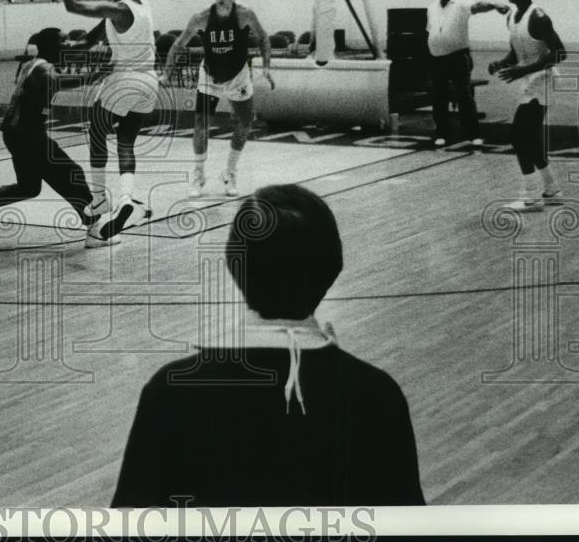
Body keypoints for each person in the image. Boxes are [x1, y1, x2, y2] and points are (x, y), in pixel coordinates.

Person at [111, 184, 425, 507]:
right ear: (333, 267)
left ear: (234, 266)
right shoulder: (377, 396)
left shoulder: (169, 390)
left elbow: (127, 525)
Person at [42, 0, 159, 247]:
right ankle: (126, 198)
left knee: (96, 131)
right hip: (150, 84)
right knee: (126, 141)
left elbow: (74, 6)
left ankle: (99, 201)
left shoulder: (119, 8)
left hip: (126, 80)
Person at [0, 27, 101, 239]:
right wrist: (95, 76)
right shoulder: (42, 69)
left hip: (16, 134)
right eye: (63, 42)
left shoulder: (37, 61)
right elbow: (57, 81)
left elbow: (83, 44)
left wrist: (107, 22)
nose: (68, 45)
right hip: (27, 135)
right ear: (51, 47)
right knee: (71, 174)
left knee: (29, 187)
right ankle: (95, 230)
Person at [160, 0, 274, 197]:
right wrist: (166, 74)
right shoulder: (201, 18)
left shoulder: (245, 14)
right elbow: (177, 45)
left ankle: (230, 172)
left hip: (237, 75)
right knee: (200, 123)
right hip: (210, 76)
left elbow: (263, 38)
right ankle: (198, 173)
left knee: (245, 121)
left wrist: (267, 66)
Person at [489, 0, 566, 211]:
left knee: (518, 135)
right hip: (528, 79)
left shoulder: (539, 17)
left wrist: (523, 71)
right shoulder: (512, 16)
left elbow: (559, 53)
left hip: (542, 81)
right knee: (529, 138)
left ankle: (530, 197)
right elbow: (516, 52)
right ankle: (552, 190)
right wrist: (501, 63)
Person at [426, 0, 509, 147]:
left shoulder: (461, 3)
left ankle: (473, 134)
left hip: (458, 57)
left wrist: (494, 5)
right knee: (439, 97)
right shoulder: (431, 7)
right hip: (436, 58)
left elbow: (480, 5)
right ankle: (442, 133)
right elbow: (430, 30)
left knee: (463, 95)